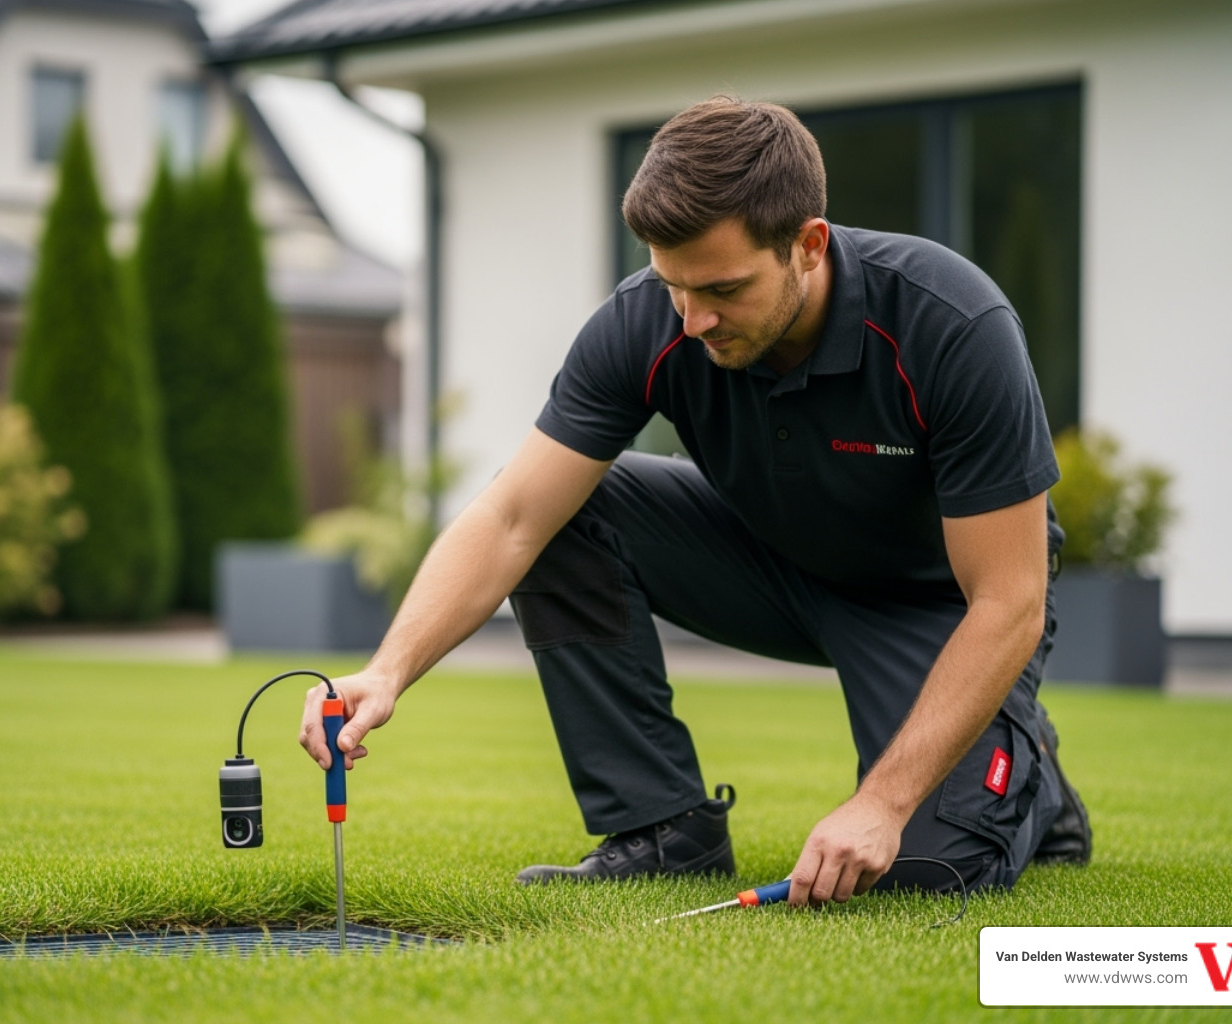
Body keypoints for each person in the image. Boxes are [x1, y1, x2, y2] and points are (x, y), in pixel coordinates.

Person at [299, 97, 1090, 907]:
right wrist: (387, 670)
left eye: (723, 287)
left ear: (808, 245)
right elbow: (511, 520)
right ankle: (661, 829)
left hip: (941, 606)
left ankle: (1035, 785)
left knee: (920, 871)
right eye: (674, 284)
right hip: (773, 564)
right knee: (574, 509)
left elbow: (1009, 602)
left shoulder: (952, 325)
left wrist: (883, 804)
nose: (694, 317)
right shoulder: (650, 319)